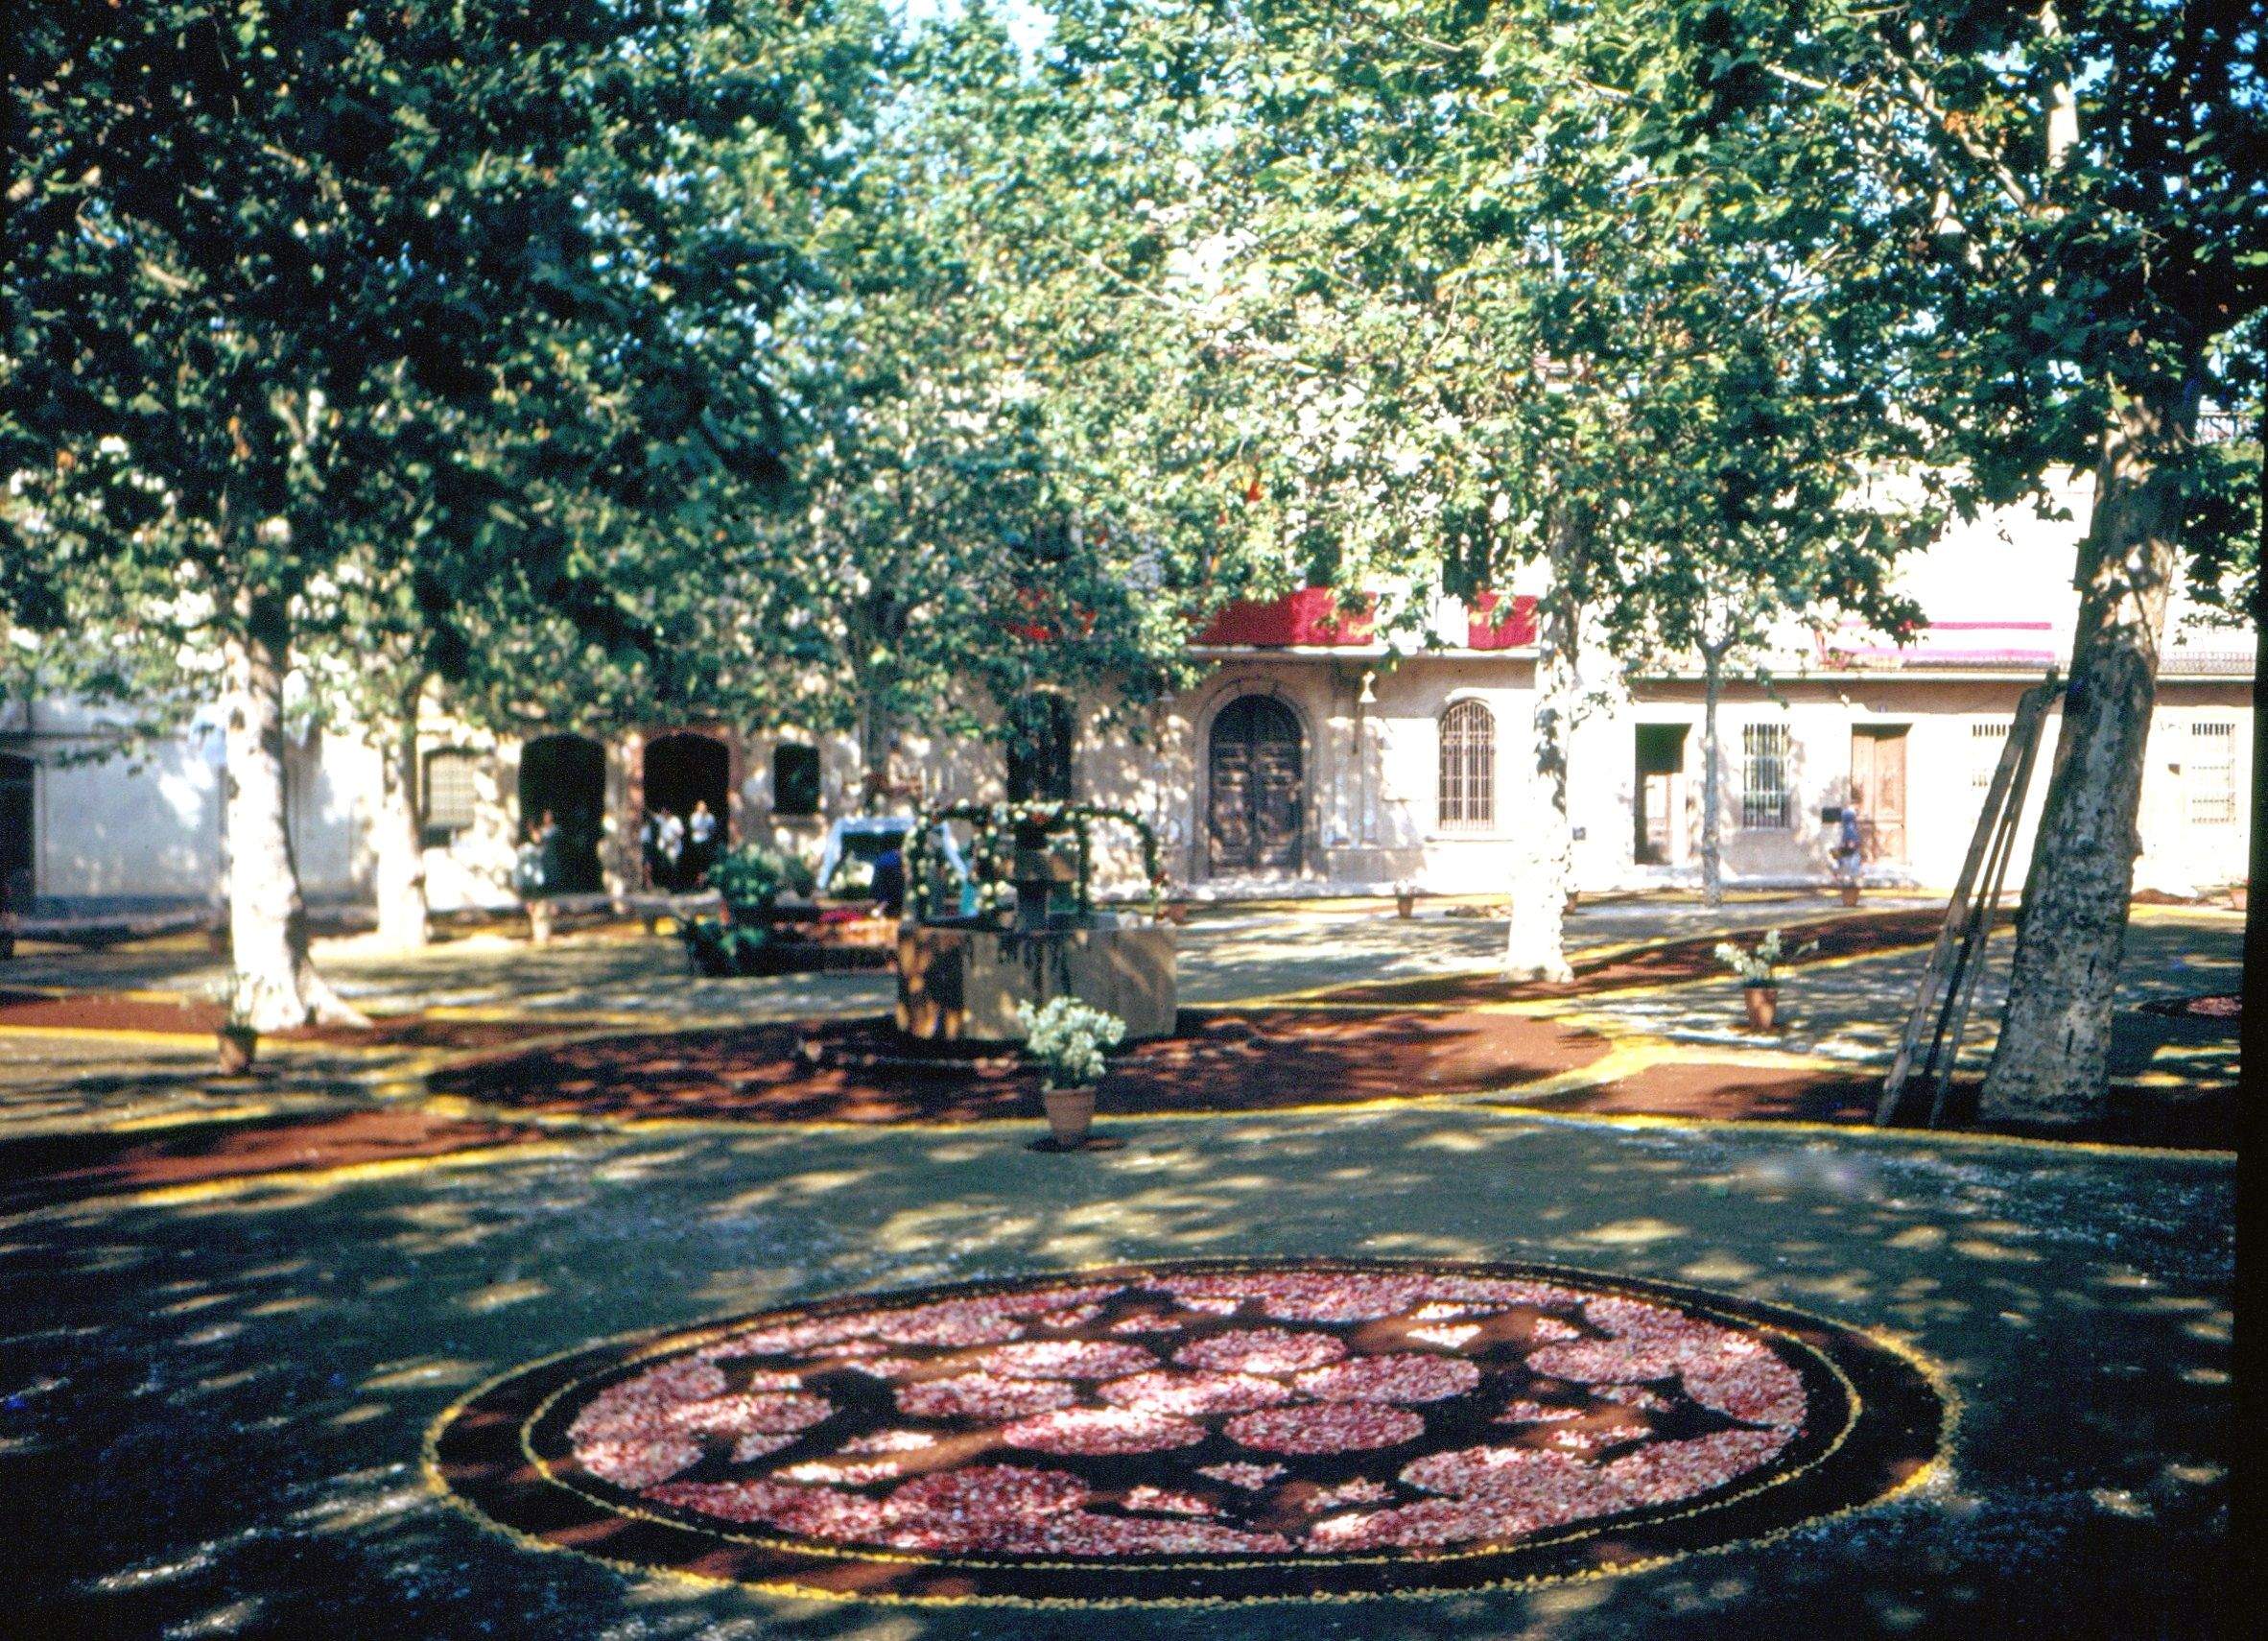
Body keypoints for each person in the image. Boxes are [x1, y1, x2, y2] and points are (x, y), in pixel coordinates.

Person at [869, 844, 906, 917]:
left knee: (884, 896)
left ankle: (880, 911)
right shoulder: (895, 858)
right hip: (892, 870)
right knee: (892, 894)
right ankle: (880, 911)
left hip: (882, 870)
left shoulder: (883, 857)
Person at [687, 799, 718, 885]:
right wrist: (701, 817)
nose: (703, 808)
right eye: (701, 807)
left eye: (704, 806)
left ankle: (705, 881)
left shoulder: (710, 817)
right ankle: (697, 881)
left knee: (706, 862)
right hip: (697, 841)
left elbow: (713, 829)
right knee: (697, 862)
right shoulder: (694, 816)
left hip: (706, 840)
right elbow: (694, 827)